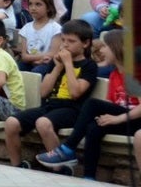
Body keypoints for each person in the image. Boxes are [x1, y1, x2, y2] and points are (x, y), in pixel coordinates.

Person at [35, 30, 140, 178]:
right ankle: (89, 177)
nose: (101, 50)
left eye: (105, 46)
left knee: (92, 104)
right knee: (94, 127)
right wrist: (106, 117)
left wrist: (117, 119)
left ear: (117, 47)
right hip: (125, 119)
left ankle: (67, 149)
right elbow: (111, 102)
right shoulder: (115, 74)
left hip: (135, 120)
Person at [3, 20, 97, 170]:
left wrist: (68, 64)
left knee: (43, 123)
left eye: (71, 41)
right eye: (63, 40)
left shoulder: (89, 66)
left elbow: (75, 93)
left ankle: (60, 168)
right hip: (50, 105)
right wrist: (57, 68)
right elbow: (43, 92)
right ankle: (17, 166)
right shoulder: (56, 63)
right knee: (11, 123)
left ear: (85, 44)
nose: (65, 45)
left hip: (72, 109)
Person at [17, 0, 63, 74]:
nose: (33, 8)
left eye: (38, 4)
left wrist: (39, 59)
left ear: (49, 7)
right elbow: (24, 56)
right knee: (17, 69)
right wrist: (37, 59)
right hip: (30, 62)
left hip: (48, 63)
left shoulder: (56, 28)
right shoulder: (26, 28)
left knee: (38, 71)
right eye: (30, 4)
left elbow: (54, 53)